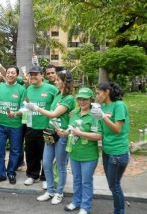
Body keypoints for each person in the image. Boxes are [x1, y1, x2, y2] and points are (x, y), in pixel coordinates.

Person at [26, 69, 75, 205]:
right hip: (50, 133)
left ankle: (59, 193)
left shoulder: (69, 98)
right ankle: (50, 191)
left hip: (61, 135)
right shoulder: (58, 95)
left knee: (60, 165)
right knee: (47, 163)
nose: (56, 81)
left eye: (58, 80)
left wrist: (37, 109)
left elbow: (54, 114)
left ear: (65, 82)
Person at [91, 82, 130, 214]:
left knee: (114, 185)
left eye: (98, 93)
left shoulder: (119, 105)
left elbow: (117, 129)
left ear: (107, 92)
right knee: (112, 184)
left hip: (118, 153)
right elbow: (101, 129)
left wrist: (102, 116)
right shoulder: (103, 107)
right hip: (107, 152)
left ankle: (119, 211)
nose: (97, 96)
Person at [62, 87, 102, 214]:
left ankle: (85, 207)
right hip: (74, 152)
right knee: (77, 180)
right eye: (80, 99)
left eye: (85, 99)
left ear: (91, 99)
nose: (82, 102)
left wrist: (81, 133)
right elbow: (71, 130)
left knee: (86, 181)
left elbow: (99, 136)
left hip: (89, 155)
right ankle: (76, 202)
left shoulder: (95, 115)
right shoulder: (74, 113)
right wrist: (64, 132)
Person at [23, 66, 58, 187]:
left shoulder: (51, 89)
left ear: (42, 75)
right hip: (31, 126)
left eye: (35, 74)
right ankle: (33, 175)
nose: (33, 76)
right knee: (31, 154)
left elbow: (59, 103)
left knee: (46, 155)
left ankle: (45, 178)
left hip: (46, 128)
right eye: (31, 74)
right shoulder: (27, 89)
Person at [0, 66, 26, 185]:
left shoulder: (21, 89)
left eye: (13, 73)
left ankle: (11, 172)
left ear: (17, 75)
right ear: (6, 74)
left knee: (15, 150)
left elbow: (23, 107)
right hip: (0, 124)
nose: (10, 75)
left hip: (16, 125)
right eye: (9, 72)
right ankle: (0, 174)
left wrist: (15, 113)